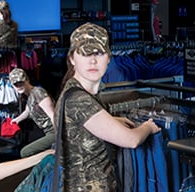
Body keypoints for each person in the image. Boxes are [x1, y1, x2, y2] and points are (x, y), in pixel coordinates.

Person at [55, 22, 161, 191]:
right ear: (72, 59)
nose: (93, 60)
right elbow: (131, 140)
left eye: (99, 53)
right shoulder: (79, 100)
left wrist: (114, 120)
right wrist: (148, 127)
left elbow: (84, 128)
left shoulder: (77, 92)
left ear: (109, 58)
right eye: (85, 54)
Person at [7, 68, 57, 157]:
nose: (19, 86)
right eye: (16, 84)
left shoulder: (38, 93)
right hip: (48, 132)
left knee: (26, 152)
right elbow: (28, 111)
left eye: (21, 82)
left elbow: (53, 115)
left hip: (54, 131)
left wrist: (59, 136)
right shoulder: (30, 95)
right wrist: (17, 119)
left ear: (27, 80)